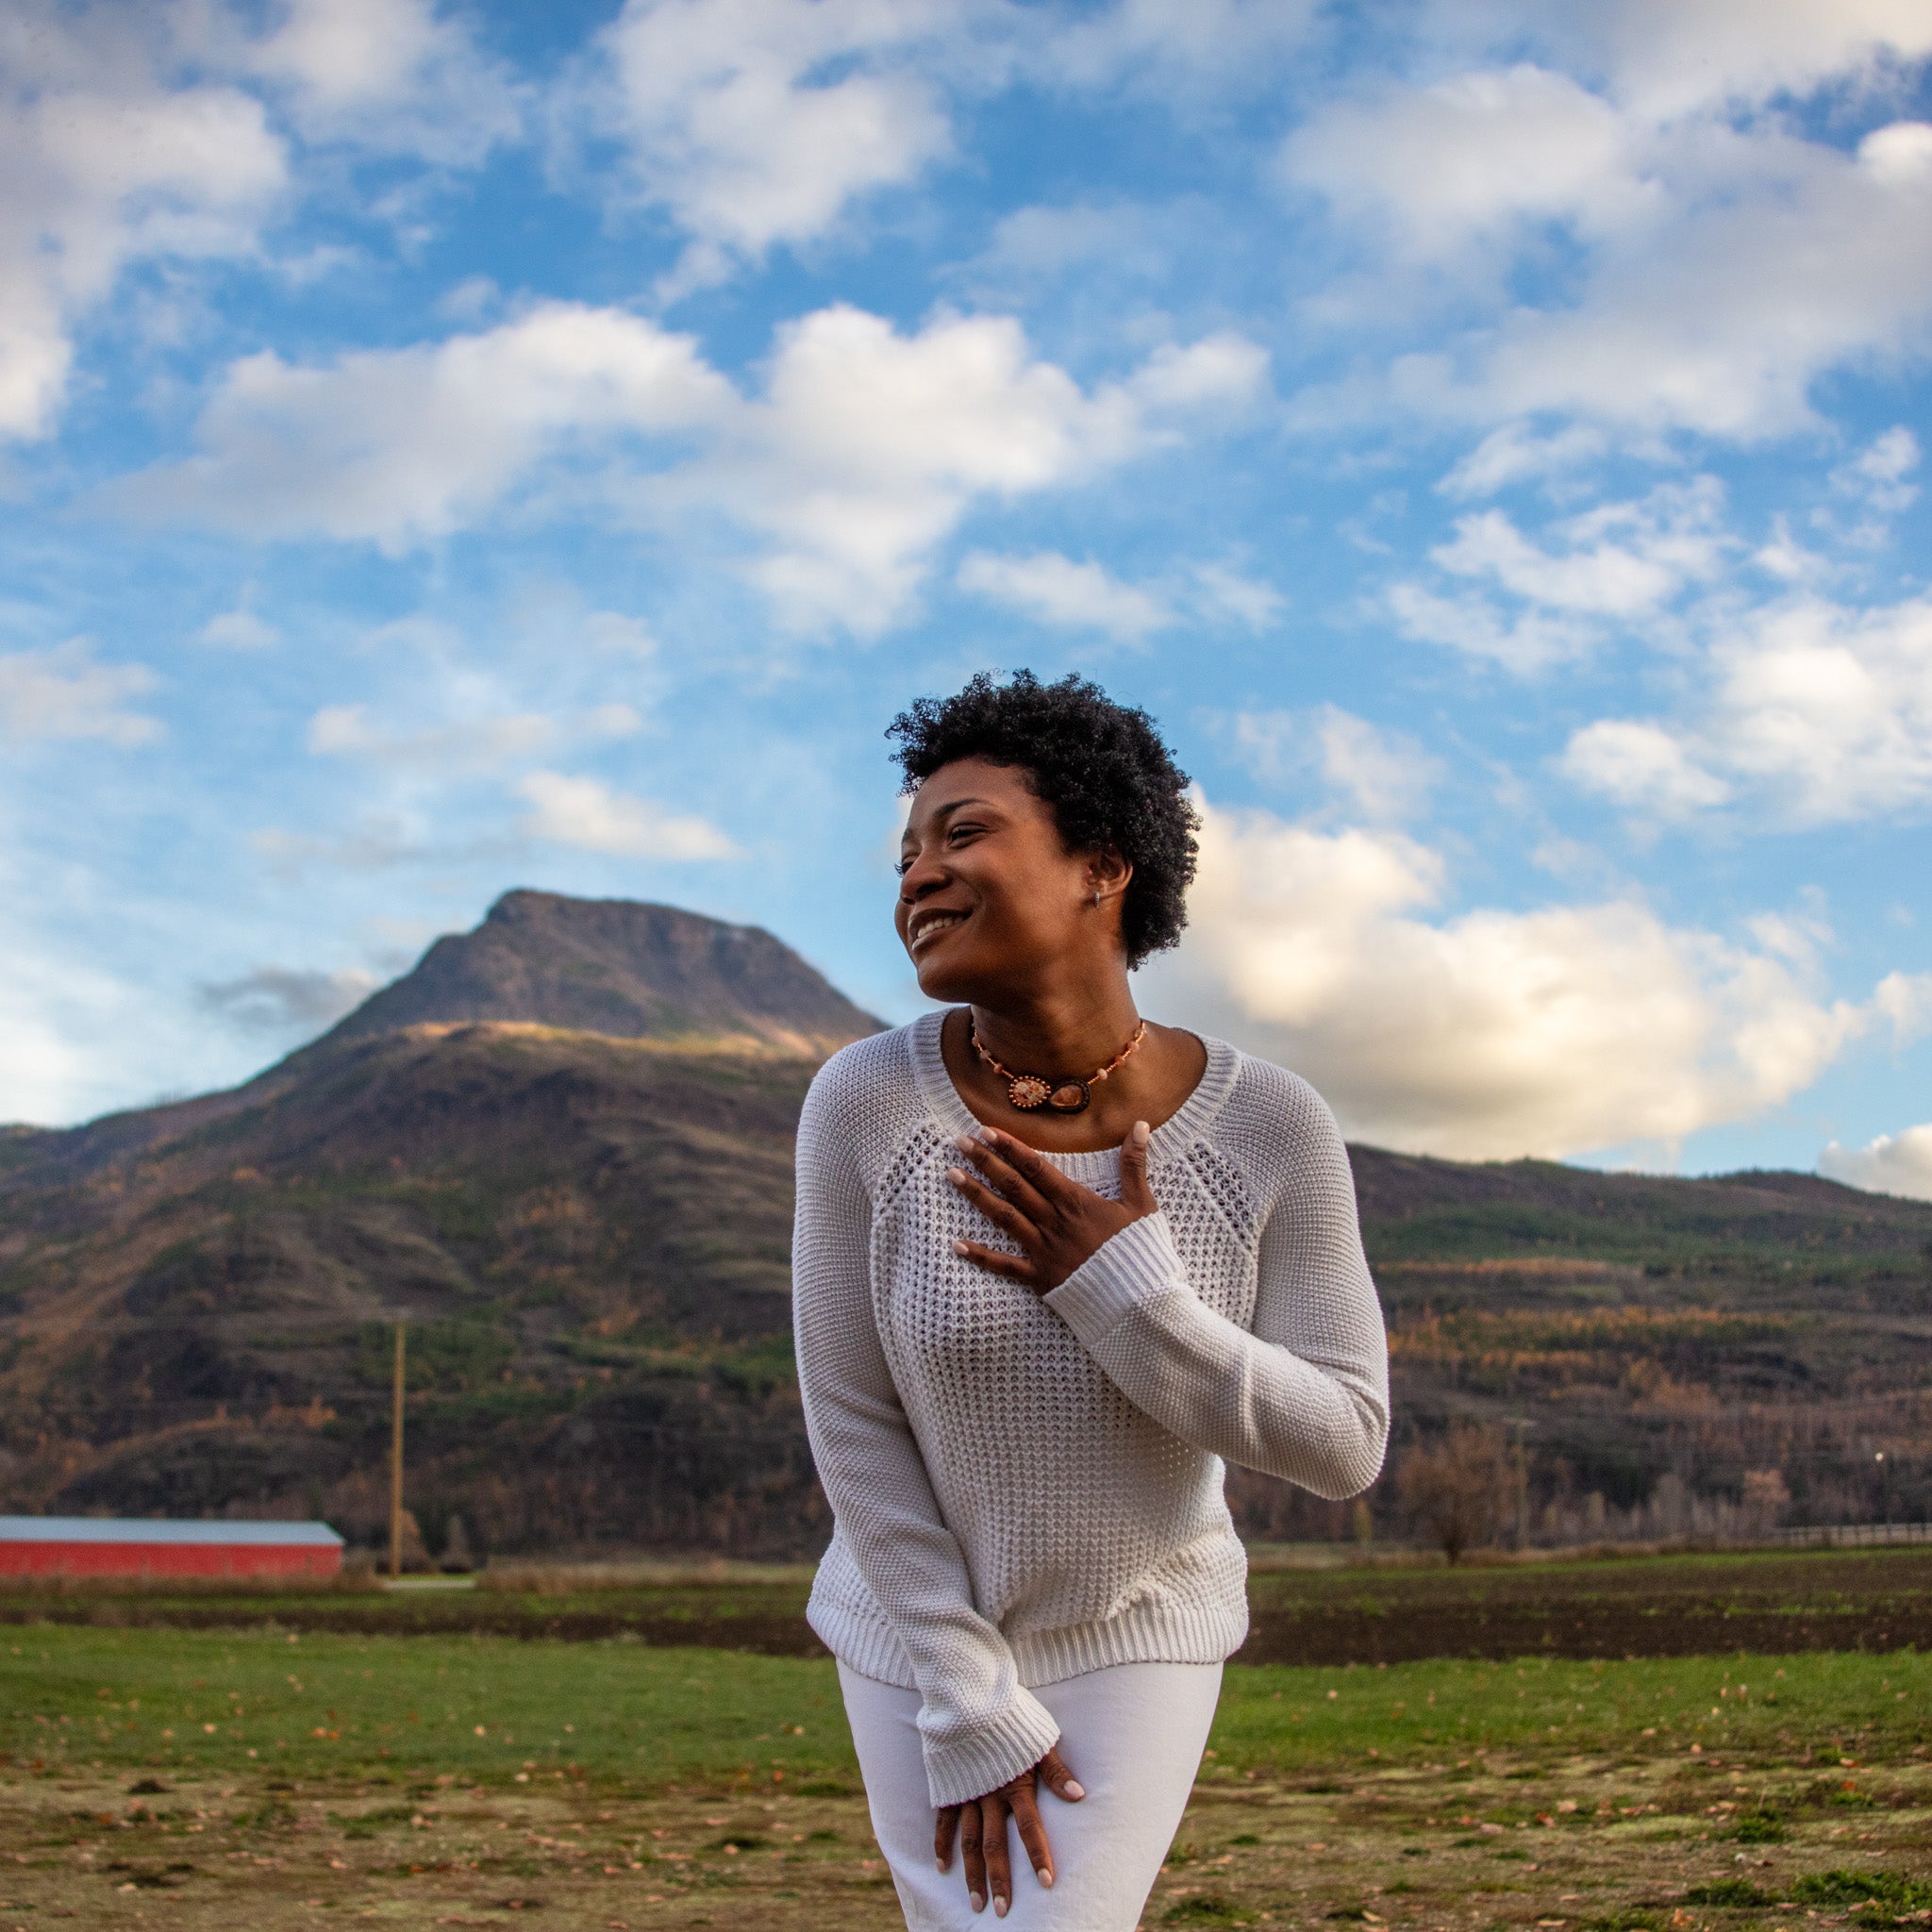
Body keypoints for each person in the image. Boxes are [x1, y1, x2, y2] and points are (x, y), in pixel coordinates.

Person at [792, 671, 1389, 1930]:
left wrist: (1127, 1294)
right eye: (906, 851)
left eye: (962, 833)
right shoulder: (864, 1104)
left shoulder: (1271, 1125)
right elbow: (852, 1422)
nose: (915, 875)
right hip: (913, 1637)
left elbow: (1345, 1441)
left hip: (1136, 1628)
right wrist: (961, 1687)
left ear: (1101, 866)